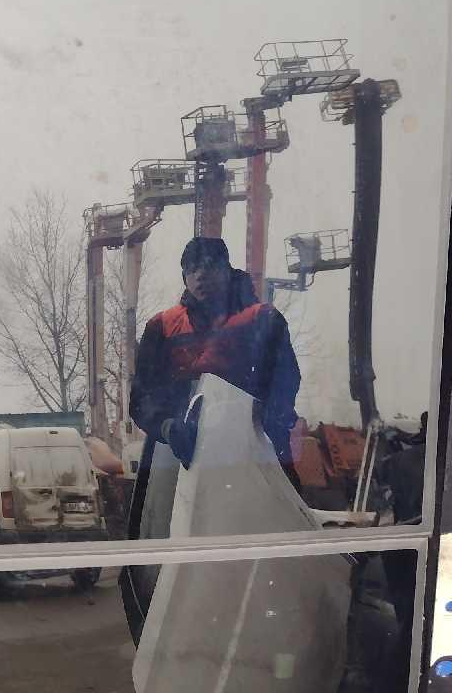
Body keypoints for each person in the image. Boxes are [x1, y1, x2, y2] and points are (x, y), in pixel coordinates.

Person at [119, 236, 302, 642]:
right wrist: (167, 427)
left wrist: (267, 427)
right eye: (192, 267)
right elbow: (142, 398)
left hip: (245, 458)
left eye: (210, 265)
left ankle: (260, 632)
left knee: (255, 553)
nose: (201, 274)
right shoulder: (161, 328)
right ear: (185, 276)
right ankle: (170, 635)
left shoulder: (263, 320)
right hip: (176, 461)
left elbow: (284, 382)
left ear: (227, 269)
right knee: (167, 553)